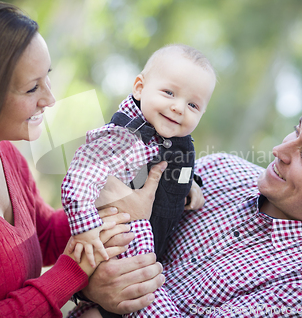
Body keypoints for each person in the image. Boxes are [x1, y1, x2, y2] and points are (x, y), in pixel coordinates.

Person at [0, 0, 165, 317]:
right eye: (31, 88)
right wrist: (71, 275)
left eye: (47, 77)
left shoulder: (5, 155)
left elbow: (44, 235)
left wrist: (112, 205)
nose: (50, 99)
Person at [70, 88, 302, 317]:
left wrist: (134, 233)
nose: (280, 151)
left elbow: (128, 221)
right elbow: (93, 228)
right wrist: (89, 288)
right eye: (296, 131)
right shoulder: (221, 170)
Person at [61, 44, 216, 269]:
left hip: (154, 251)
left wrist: (188, 184)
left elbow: (164, 166)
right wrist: (85, 229)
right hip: (113, 253)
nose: (179, 108)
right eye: (169, 93)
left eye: (193, 105)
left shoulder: (175, 142)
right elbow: (79, 179)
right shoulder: (123, 138)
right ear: (140, 88)